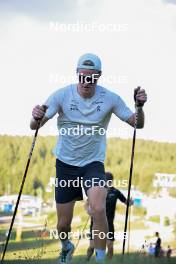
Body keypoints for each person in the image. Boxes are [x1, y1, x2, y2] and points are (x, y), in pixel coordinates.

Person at [30, 53, 147, 263]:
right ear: (77, 74)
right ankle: (66, 246)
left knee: (99, 208)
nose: (86, 81)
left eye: (91, 77)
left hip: (93, 164)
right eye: (83, 76)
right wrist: (35, 116)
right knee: (63, 225)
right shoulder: (61, 95)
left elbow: (137, 123)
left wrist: (139, 107)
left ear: (99, 76)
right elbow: (35, 126)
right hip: (65, 165)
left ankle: (100, 260)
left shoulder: (110, 98)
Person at [86, 172, 133, 261]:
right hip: (96, 223)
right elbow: (87, 203)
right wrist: (88, 210)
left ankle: (108, 262)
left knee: (110, 246)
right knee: (92, 247)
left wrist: (130, 202)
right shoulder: (97, 191)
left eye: (108, 181)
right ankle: (86, 260)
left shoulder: (116, 192)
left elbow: (126, 202)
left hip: (109, 224)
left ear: (111, 181)